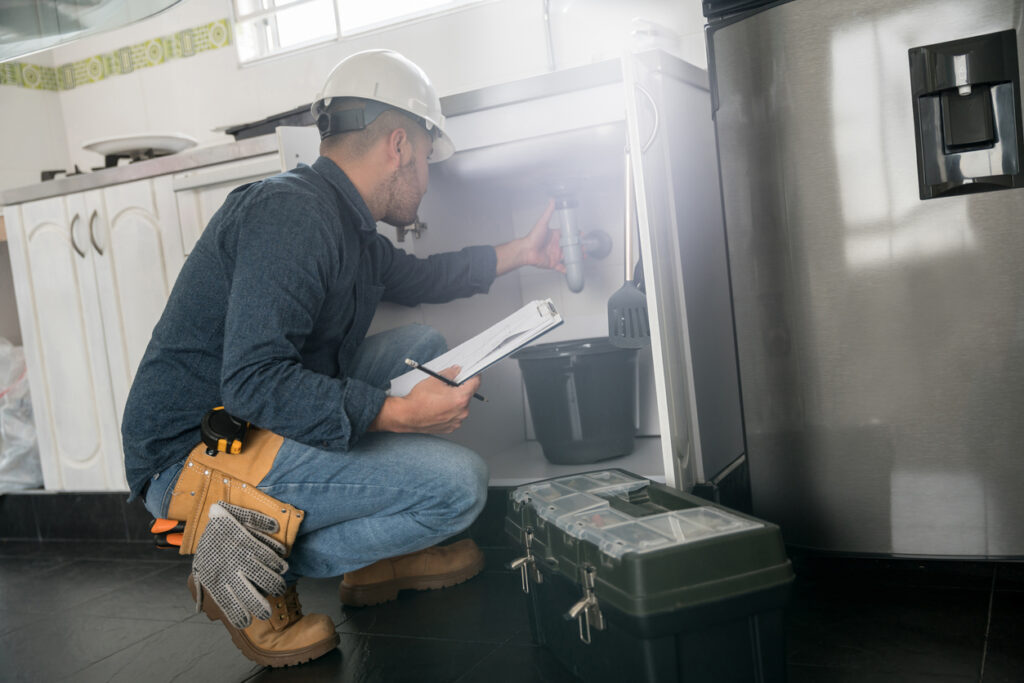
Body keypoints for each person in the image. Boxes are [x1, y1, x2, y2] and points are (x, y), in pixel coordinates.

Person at [121, 49, 565, 667]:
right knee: (458, 487)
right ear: (400, 144)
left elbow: (421, 278)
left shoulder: (343, 220)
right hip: (197, 456)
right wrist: (398, 415)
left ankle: (375, 562)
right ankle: (237, 569)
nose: (429, 178)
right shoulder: (293, 214)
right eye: (429, 159)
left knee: (421, 349)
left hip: (249, 427)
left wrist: (519, 253)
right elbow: (251, 383)